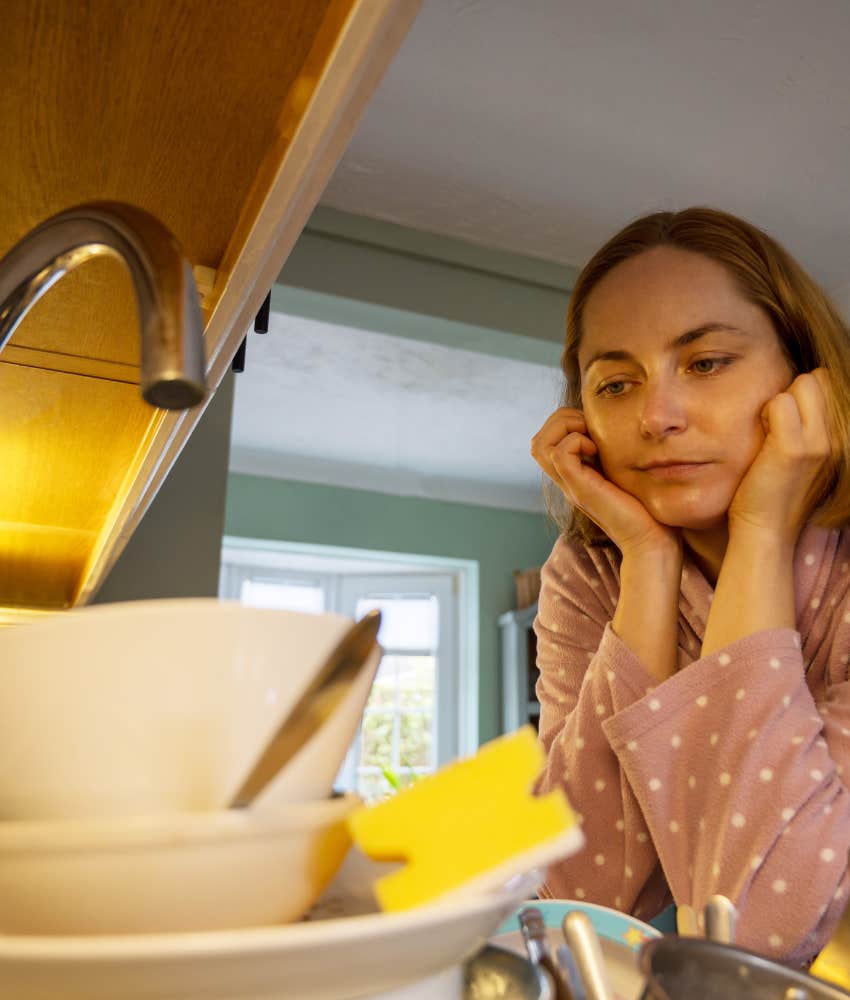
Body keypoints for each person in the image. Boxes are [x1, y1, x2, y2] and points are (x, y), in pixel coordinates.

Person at [529, 206, 850, 967]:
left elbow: (762, 923)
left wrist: (761, 532)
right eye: (616, 382)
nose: (656, 417)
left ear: (806, 379)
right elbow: (580, 904)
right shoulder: (588, 576)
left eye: (705, 363)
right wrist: (647, 561)